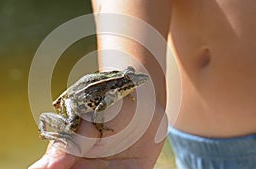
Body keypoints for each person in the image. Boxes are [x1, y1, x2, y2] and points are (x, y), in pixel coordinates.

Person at [29, 0, 256, 168]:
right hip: (200, 146)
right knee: (72, 126)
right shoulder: (122, 93)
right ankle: (47, 131)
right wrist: (142, 107)